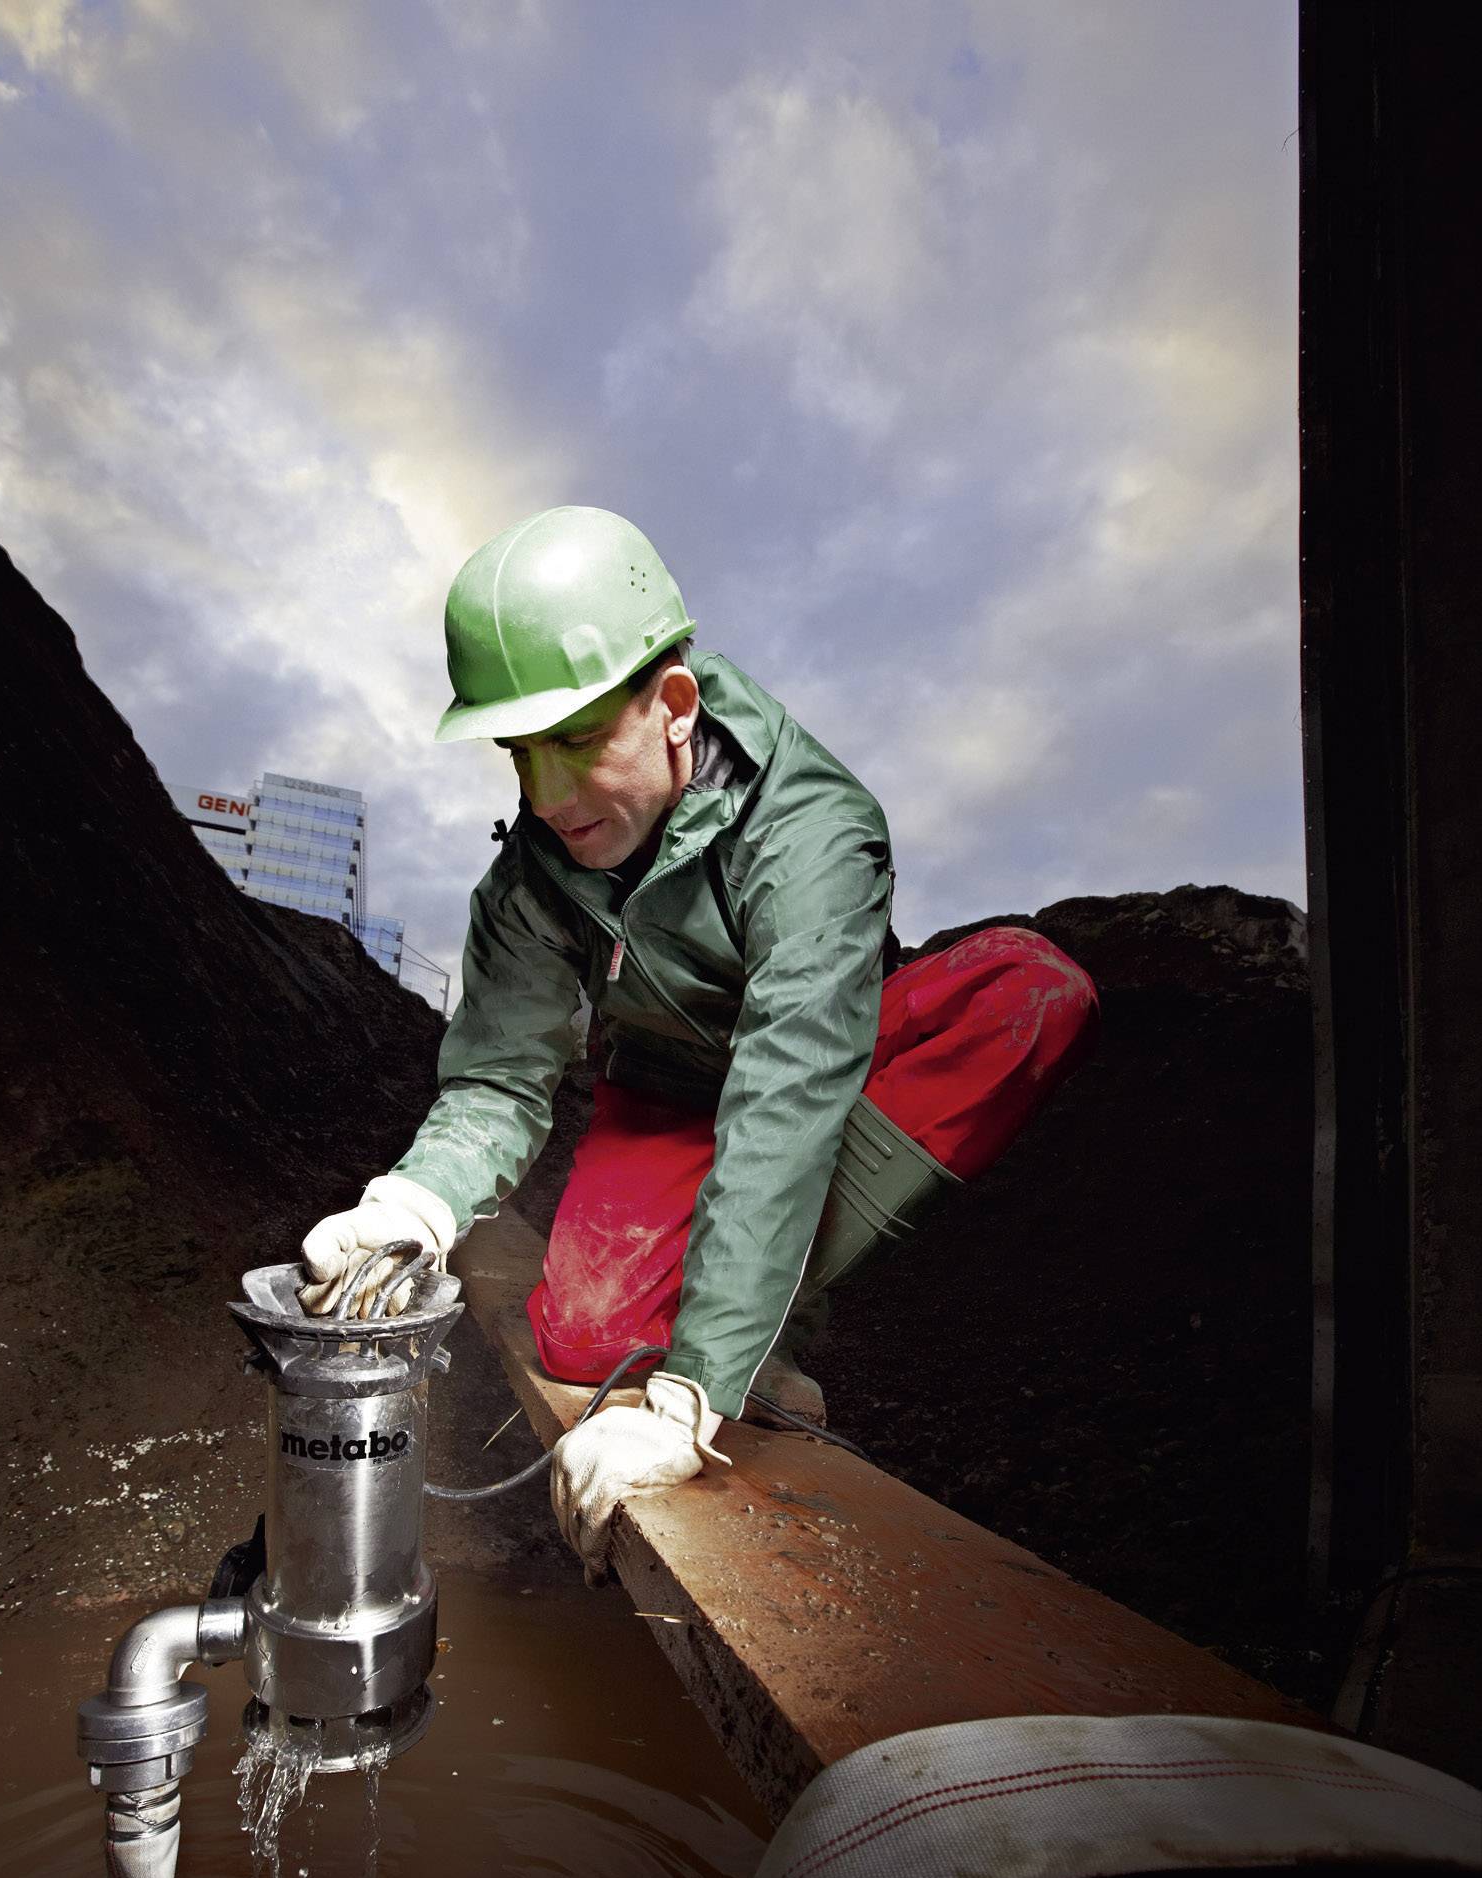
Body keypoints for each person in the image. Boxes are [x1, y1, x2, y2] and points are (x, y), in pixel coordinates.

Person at [301, 506, 1098, 1580]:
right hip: (668, 1094)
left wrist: (690, 1394)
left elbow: (784, 1097)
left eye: (578, 743)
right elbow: (499, 1075)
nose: (547, 799)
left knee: (1029, 994)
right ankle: (738, 1326)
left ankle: (759, 1331)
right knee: (585, 1343)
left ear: (673, 704)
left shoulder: (810, 829)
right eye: (519, 755)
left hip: (823, 1063)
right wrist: (411, 1205)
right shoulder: (531, 879)